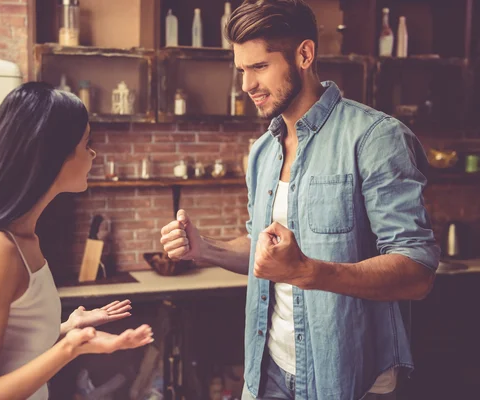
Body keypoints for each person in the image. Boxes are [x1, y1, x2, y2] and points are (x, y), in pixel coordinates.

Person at [160, 1, 440, 399]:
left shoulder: (375, 137)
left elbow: (417, 271)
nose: (246, 85)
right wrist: (205, 249)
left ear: (305, 54)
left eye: (259, 67)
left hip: (348, 376)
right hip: (270, 370)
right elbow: (266, 254)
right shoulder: (262, 151)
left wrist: (308, 271)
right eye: (241, 70)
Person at [0, 82, 153, 400]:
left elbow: (13, 353)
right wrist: (70, 349)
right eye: (87, 143)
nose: (93, 153)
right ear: (52, 154)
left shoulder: (23, 239)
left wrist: (66, 329)